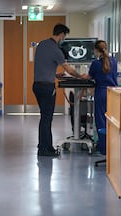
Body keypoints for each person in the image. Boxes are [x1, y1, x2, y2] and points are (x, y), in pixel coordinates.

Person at [33, 23, 83, 157]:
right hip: (47, 87)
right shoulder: (56, 49)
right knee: (47, 118)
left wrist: (54, 75)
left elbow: (43, 65)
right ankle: (45, 149)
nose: (63, 39)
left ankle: (43, 146)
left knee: (44, 117)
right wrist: (80, 76)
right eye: (64, 36)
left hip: (37, 86)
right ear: (61, 35)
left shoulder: (41, 45)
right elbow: (68, 69)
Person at [80, 40, 118, 155]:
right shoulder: (114, 61)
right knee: (112, 121)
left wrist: (81, 76)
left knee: (101, 121)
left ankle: (104, 149)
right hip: (113, 93)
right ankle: (113, 148)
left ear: (96, 50)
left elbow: (89, 76)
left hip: (101, 93)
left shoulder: (96, 64)